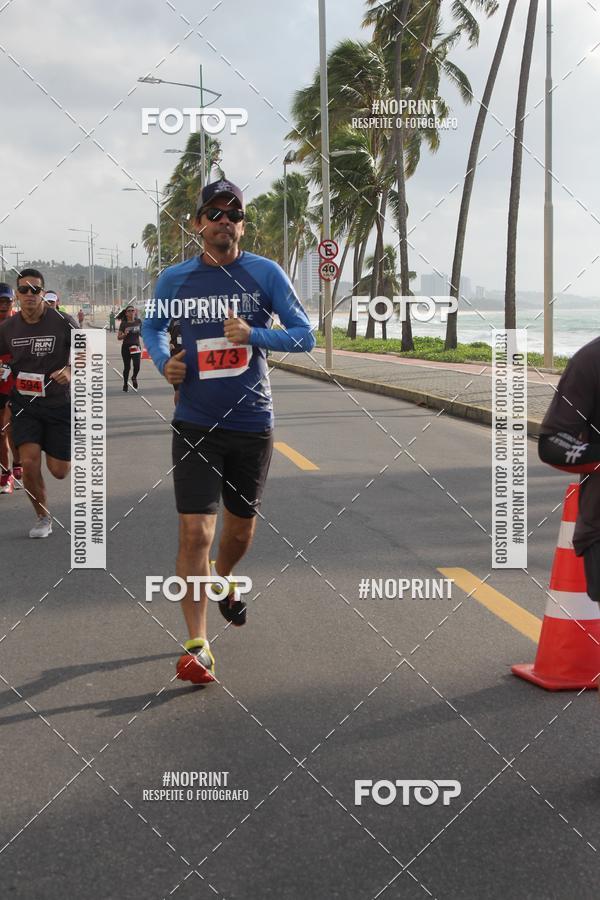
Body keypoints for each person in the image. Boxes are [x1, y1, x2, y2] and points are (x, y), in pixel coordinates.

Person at [143, 179, 315, 684]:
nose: (223, 220)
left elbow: (304, 334)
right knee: (196, 530)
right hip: (195, 421)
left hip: (251, 424)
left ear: (242, 224)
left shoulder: (264, 273)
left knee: (239, 531)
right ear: (198, 224)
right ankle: (197, 646)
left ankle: (225, 577)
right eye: (213, 212)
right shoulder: (175, 280)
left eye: (232, 213)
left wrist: (253, 334)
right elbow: (153, 328)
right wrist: (162, 363)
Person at [0, 269, 77, 537]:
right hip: (25, 405)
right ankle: (42, 517)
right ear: (18, 294)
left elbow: (87, 350)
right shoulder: (7, 328)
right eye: (24, 290)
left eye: (35, 289)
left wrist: (70, 370)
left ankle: (56, 446)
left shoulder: (63, 321)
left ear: (43, 293)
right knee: (30, 463)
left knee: (59, 471)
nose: (30, 294)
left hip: (58, 405)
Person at [0, 283, 22, 494]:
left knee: (8, 427)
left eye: (6, 301)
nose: (3, 305)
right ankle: (6, 473)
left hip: (14, 385)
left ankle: (17, 463)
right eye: (0, 301)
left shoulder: (19, 323)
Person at [117, 304, 142, 391]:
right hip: (126, 347)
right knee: (127, 367)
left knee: (137, 365)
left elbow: (142, 333)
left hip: (135, 346)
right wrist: (124, 335)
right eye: (129, 311)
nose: (131, 312)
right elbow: (118, 337)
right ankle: (125, 383)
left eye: (133, 310)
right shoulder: (123, 324)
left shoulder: (138, 321)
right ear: (126, 313)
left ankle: (134, 377)